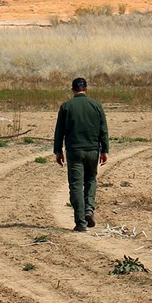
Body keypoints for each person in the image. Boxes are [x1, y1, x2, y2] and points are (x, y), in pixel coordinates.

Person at [53, 77, 109, 232]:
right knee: (91, 179)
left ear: (73, 89)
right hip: (92, 151)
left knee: (76, 185)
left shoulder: (66, 107)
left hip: (74, 151)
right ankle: (89, 209)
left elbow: (59, 132)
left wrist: (58, 151)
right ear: (86, 89)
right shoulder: (96, 105)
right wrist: (105, 150)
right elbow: (103, 130)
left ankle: (80, 222)